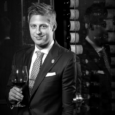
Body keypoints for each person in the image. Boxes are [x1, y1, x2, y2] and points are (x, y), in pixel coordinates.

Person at [5, 2, 81, 115]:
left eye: (43, 26)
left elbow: (69, 108)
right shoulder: (20, 56)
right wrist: (10, 96)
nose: (38, 32)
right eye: (33, 26)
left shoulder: (68, 59)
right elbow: (10, 88)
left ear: (54, 26)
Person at [78, 2, 111, 115]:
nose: (105, 29)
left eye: (105, 24)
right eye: (101, 24)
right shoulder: (81, 52)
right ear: (89, 25)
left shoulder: (106, 51)